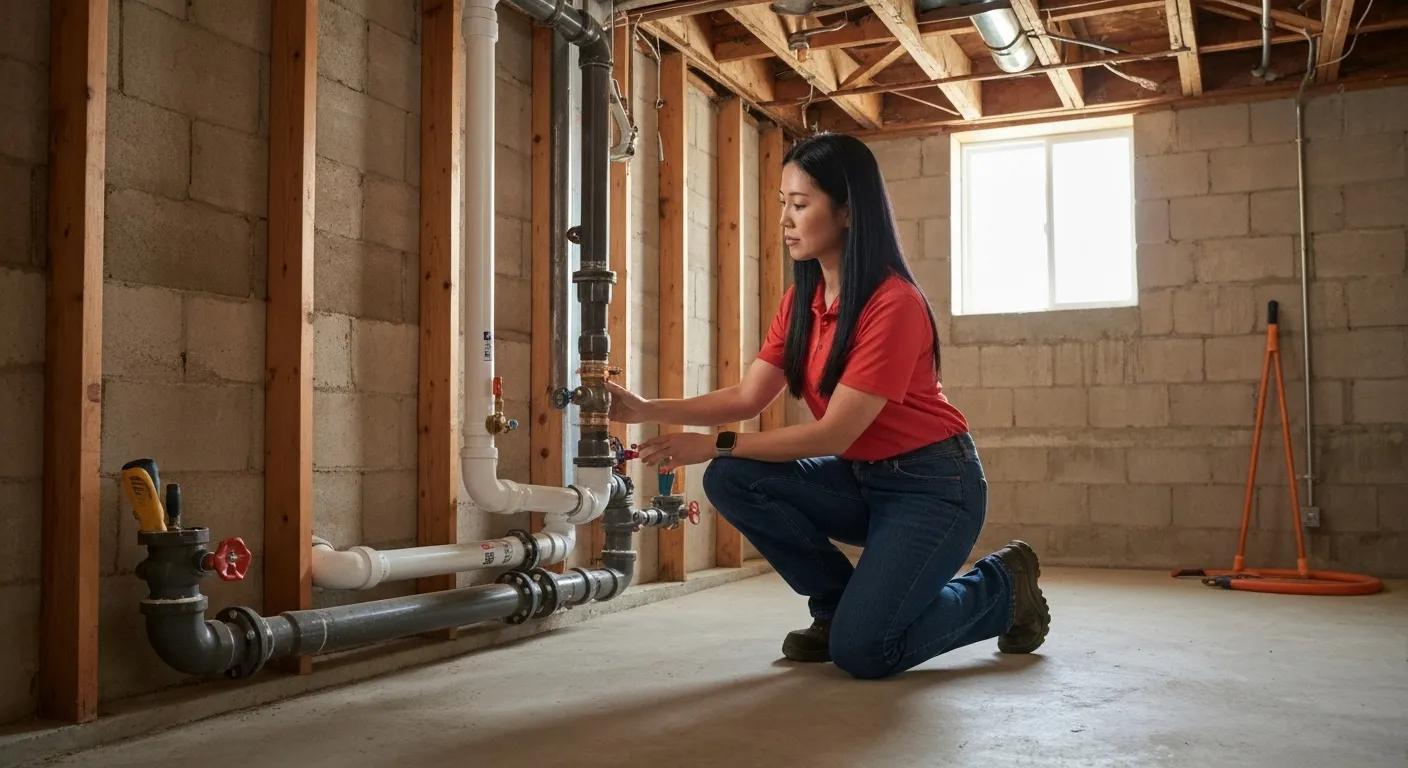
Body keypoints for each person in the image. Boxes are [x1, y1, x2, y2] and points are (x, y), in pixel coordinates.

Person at [605, 132, 1050, 680]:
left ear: (846, 211)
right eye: (783, 204)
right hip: (862, 480)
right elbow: (747, 397)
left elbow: (832, 434)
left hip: (934, 488)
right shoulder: (803, 300)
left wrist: (714, 441)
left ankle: (1002, 588)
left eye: (801, 204)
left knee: (866, 652)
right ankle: (837, 607)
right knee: (733, 478)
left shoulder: (893, 304)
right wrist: (646, 407)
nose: (786, 220)